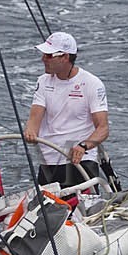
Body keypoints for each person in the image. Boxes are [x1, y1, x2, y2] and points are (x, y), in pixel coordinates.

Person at [23, 31, 109, 191]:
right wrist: (30, 131)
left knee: (85, 213)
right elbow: (35, 117)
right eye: (44, 54)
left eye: (49, 55)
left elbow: (103, 129)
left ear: (65, 57)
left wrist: (83, 146)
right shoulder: (43, 81)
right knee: (50, 213)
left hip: (80, 161)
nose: (43, 59)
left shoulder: (92, 83)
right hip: (49, 161)